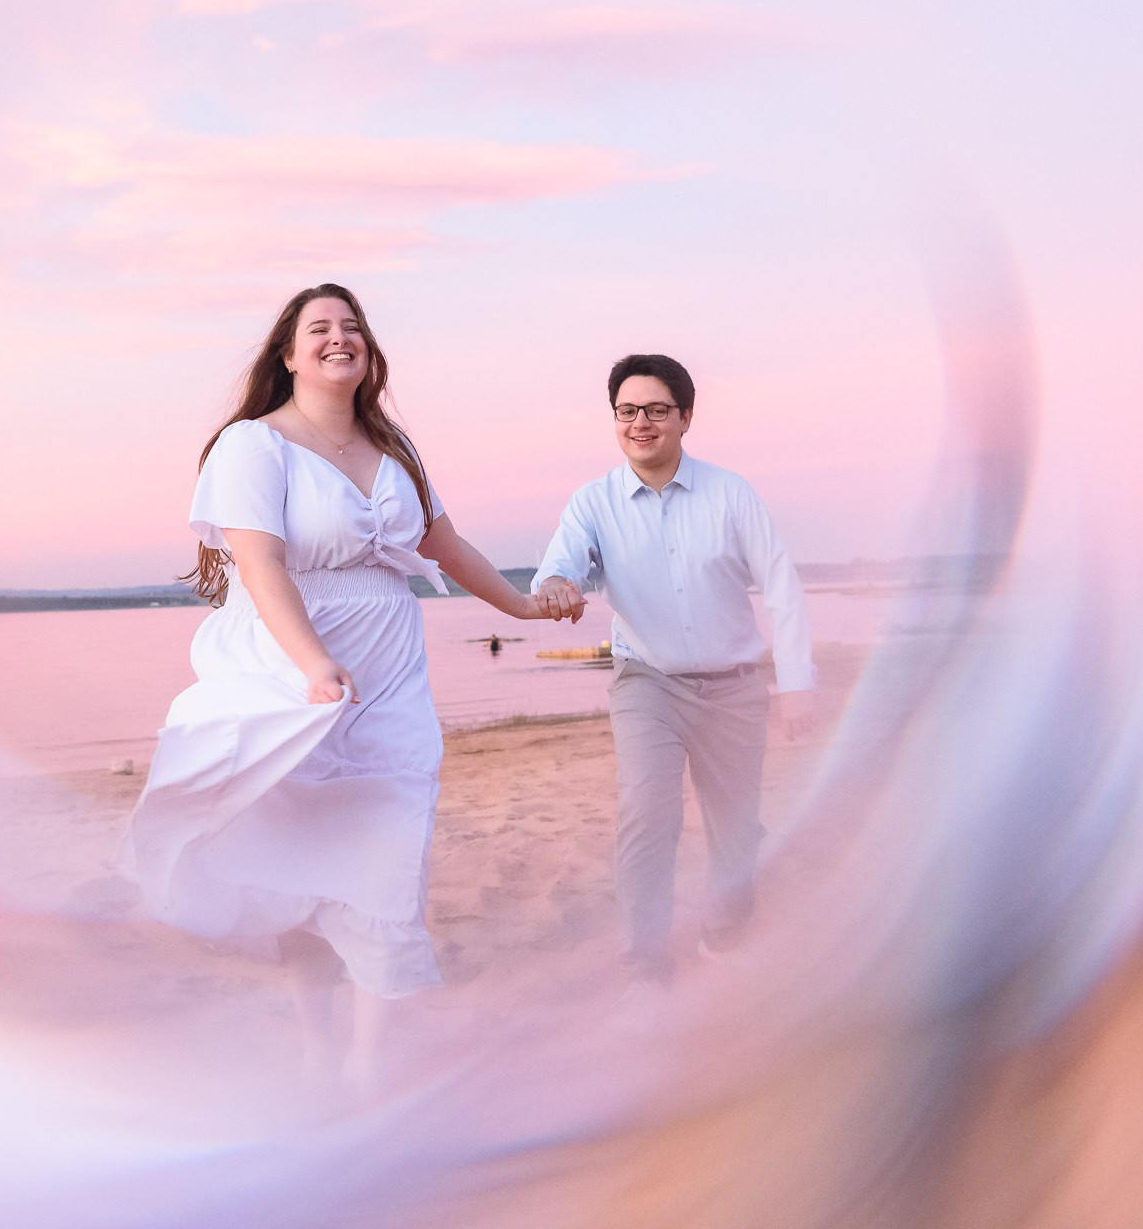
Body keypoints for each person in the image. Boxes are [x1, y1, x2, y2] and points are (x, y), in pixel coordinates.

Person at [123, 282, 579, 1087]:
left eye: (353, 325)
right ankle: (318, 1045)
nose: (340, 337)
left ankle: (369, 1064)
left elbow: (447, 547)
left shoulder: (393, 446)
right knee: (306, 856)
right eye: (320, 328)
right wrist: (311, 662)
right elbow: (260, 564)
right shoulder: (254, 445)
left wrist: (524, 605)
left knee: (388, 849)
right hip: (291, 663)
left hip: (390, 671)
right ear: (289, 354)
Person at [531, 354, 815, 1000]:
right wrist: (556, 584)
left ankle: (724, 934)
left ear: (685, 417)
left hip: (735, 685)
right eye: (627, 411)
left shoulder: (731, 494)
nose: (641, 422)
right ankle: (646, 967)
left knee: (737, 826)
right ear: (614, 419)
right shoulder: (593, 501)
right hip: (647, 681)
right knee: (647, 811)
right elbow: (562, 564)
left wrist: (796, 681)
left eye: (657, 410)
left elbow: (781, 584)